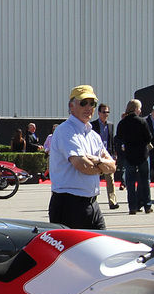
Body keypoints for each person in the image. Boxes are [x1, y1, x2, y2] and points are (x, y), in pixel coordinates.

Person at [47, 84, 116, 228]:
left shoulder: (93, 135)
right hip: (69, 204)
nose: (89, 107)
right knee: (72, 250)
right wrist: (102, 167)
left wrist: (97, 161)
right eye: (83, 103)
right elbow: (82, 165)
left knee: (101, 247)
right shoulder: (65, 130)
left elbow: (113, 166)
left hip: (91, 203)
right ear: (71, 106)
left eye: (92, 103)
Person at [115, 98, 153, 213]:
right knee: (145, 180)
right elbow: (148, 137)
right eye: (140, 108)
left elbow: (118, 137)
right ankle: (147, 205)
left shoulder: (123, 122)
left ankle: (132, 207)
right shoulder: (142, 122)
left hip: (129, 154)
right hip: (142, 154)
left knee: (130, 182)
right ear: (136, 109)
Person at [90, 102, 119, 210]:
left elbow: (112, 141)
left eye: (107, 112)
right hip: (96, 155)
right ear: (99, 113)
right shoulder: (93, 125)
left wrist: (114, 154)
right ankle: (93, 200)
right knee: (95, 178)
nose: (106, 114)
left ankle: (112, 201)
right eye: (104, 112)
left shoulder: (110, 125)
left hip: (107, 154)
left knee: (110, 179)